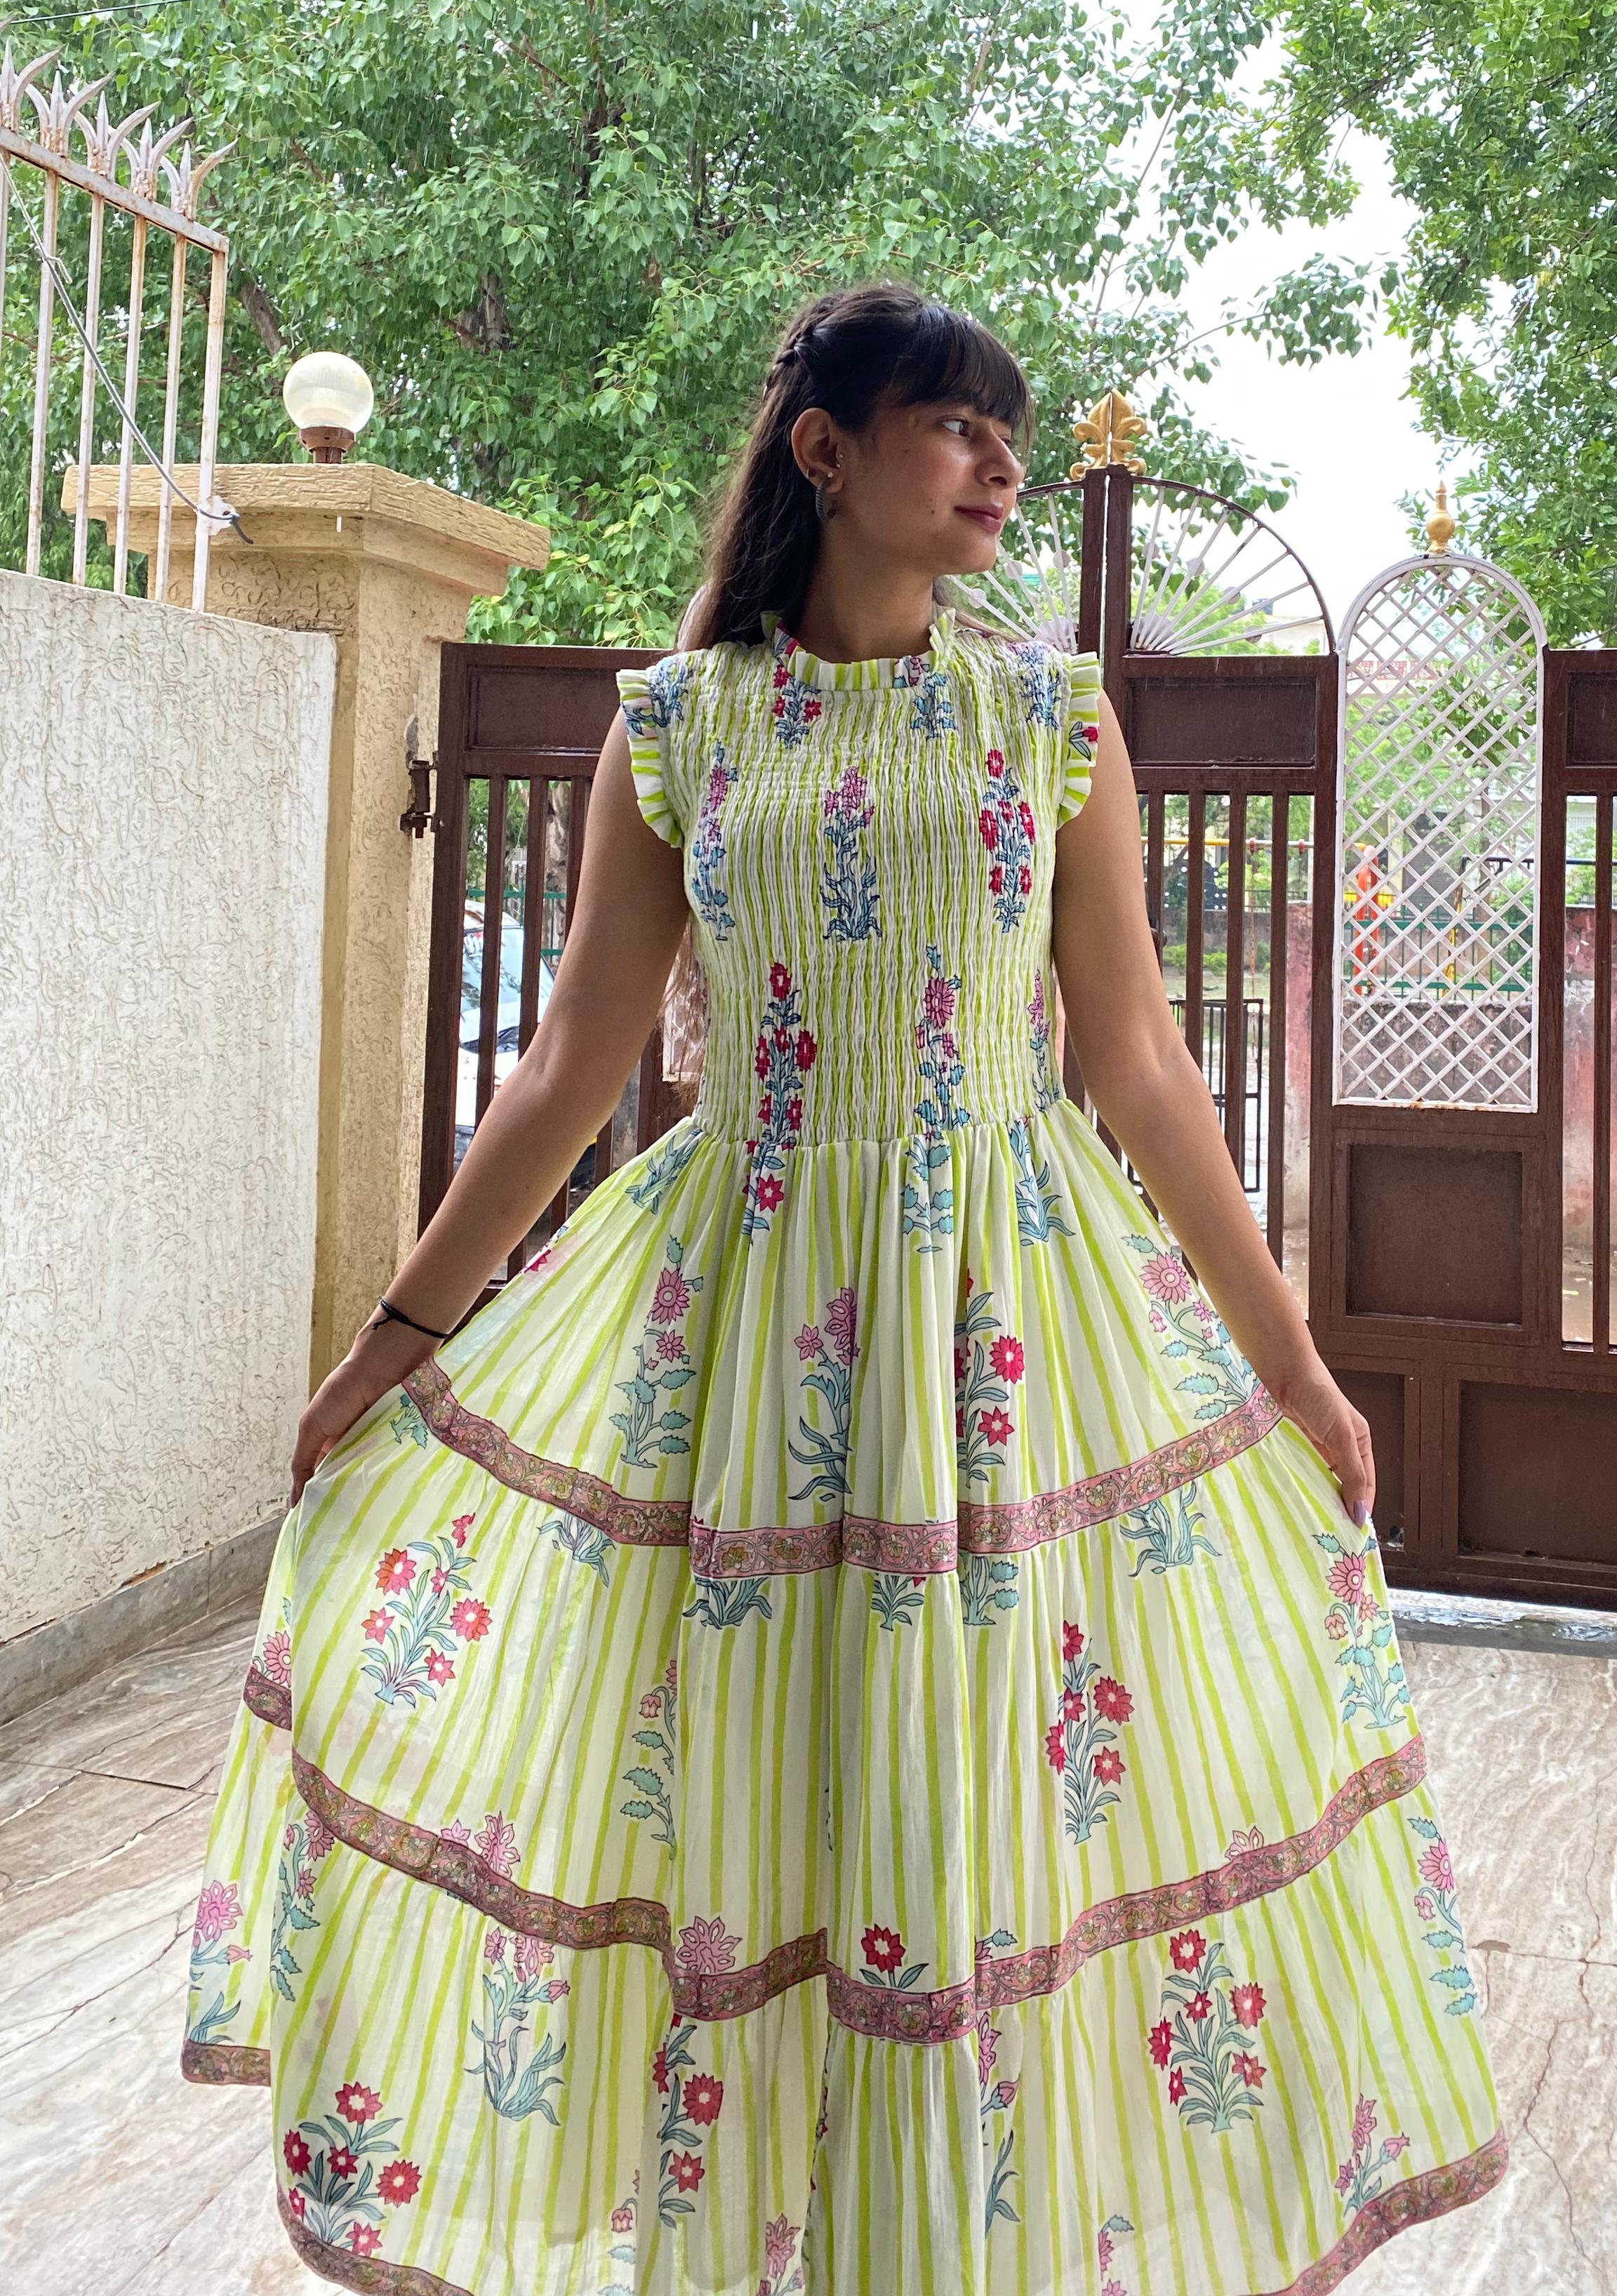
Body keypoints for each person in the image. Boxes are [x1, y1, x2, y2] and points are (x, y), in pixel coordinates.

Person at [181, 284, 1505, 2293]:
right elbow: (569, 1067)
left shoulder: (1047, 716)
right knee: (756, 1792)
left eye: (1011, 432)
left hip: (1005, 1319)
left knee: (957, 1804)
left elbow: (1136, 1063)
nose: (998, 464)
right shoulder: (683, 721)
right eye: (955, 424)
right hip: (743, 1316)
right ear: (828, 451)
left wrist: (1294, 1366)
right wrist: (396, 1342)